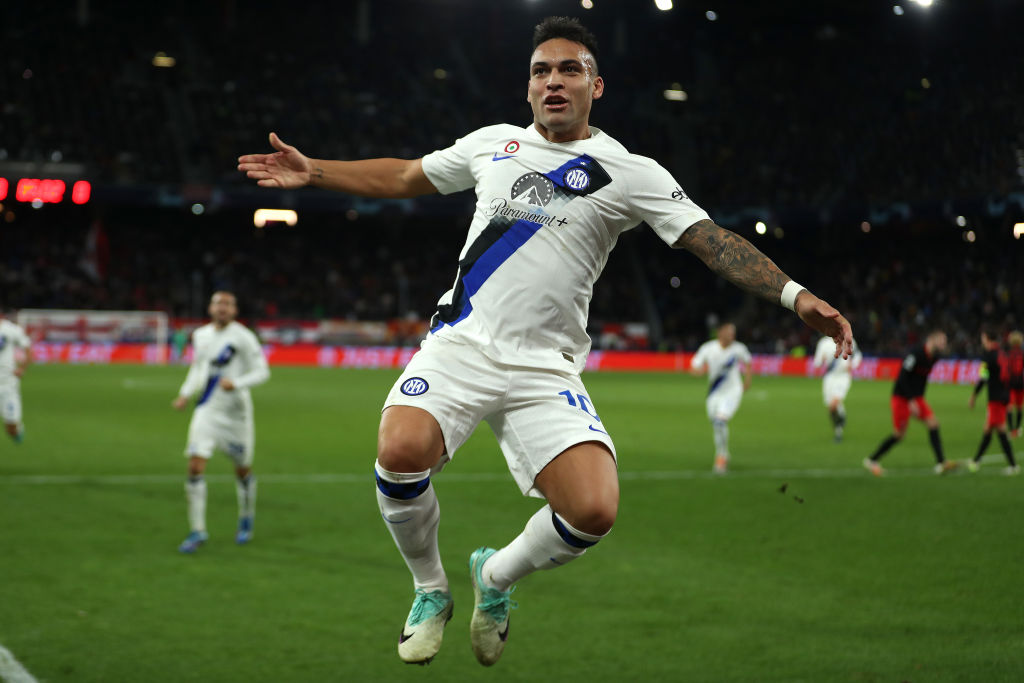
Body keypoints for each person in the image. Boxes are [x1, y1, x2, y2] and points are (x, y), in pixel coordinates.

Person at [238, 16, 852, 667]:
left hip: (545, 367)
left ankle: (495, 576)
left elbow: (710, 240)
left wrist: (796, 296)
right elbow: (404, 176)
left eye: (569, 70)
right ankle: (430, 589)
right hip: (462, 346)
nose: (553, 81)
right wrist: (315, 171)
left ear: (596, 85)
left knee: (593, 510)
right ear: (529, 87)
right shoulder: (492, 145)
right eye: (541, 71)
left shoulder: (630, 171)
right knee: (400, 450)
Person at [171, 292, 270, 553]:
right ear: (210, 308)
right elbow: (198, 368)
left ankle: (246, 517)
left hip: (236, 413)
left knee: (242, 469)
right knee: (195, 465)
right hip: (207, 408)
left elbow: (263, 372)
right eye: (218, 303)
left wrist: (236, 383)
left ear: (235, 310)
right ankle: (197, 531)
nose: (222, 308)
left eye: (227, 304)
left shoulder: (244, 337)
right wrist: (185, 393)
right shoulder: (200, 335)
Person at [863, 331, 957, 476]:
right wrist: (911, 400)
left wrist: (918, 399)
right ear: (931, 339)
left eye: (944, 342)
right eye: (941, 341)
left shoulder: (934, 357)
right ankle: (871, 460)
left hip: (916, 398)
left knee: (933, 424)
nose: (944, 344)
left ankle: (941, 463)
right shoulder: (916, 353)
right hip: (901, 397)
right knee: (899, 434)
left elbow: (922, 380)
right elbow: (902, 376)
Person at [690, 322, 752, 473]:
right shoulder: (708, 348)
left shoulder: (739, 348)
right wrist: (698, 371)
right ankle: (723, 452)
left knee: (720, 421)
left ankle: (721, 457)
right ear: (720, 333)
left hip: (733, 391)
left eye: (733, 333)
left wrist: (747, 380)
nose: (732, 336)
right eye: (729, 332)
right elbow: (694, 365)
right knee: (716, 424)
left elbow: (748, 362)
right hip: (714, 393)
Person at [965, 328, 1019, 475]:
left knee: (1000, 431)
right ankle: (976, 461)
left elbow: (983, 377)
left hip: (995, 398)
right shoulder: (1002, 354)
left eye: (983, 338)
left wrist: (974, 395)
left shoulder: (988, 356)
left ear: (987, 338)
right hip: (1004, 395)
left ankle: (1013, 466)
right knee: (988, 430)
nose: (982, 341)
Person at [812, 335, 862, 442]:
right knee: (831, 408)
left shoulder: (848, 340)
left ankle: (840, 423)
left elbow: (857, 355)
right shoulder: (823, 343)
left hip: (843, 377)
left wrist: (853, 365)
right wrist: (821, 360)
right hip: (829, 378)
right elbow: (817, 363)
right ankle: (838, 430)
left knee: (834, 404)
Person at [0, 312, 32, 444]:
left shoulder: (11, 329)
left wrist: (22, 368)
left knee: (11, 428)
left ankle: (16, 429)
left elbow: (28, 350)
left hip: (7, 384)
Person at [1006, 330, 1023, 438]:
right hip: (1021, 383)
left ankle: (1012, 430)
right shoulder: (1022, 354)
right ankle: (1017, 429)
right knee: (1020, 407)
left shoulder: (1008, 354)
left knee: (1010, 407)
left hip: (1011, 384)